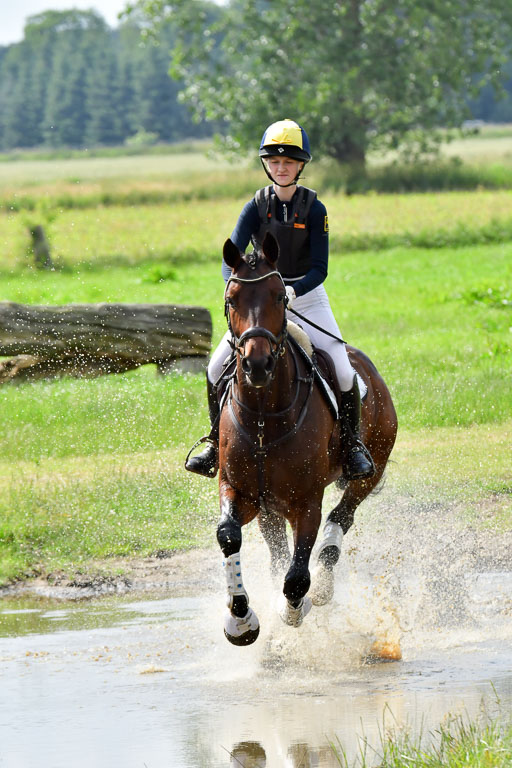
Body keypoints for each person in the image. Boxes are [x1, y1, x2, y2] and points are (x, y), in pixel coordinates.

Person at [185, 118, 375, 481]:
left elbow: (320, 268)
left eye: (288, 162)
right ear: (266, 165)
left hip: (305, 296)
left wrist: (292, 290)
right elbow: (233, 259)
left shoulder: (315, 210)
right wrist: (238, 289)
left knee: (342, 366)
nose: (281, 167)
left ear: (300, 165)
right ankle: (214, 442)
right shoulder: (255, 206)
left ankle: (351, 446)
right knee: (214, 368)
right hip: (259, 301)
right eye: (274, 162)